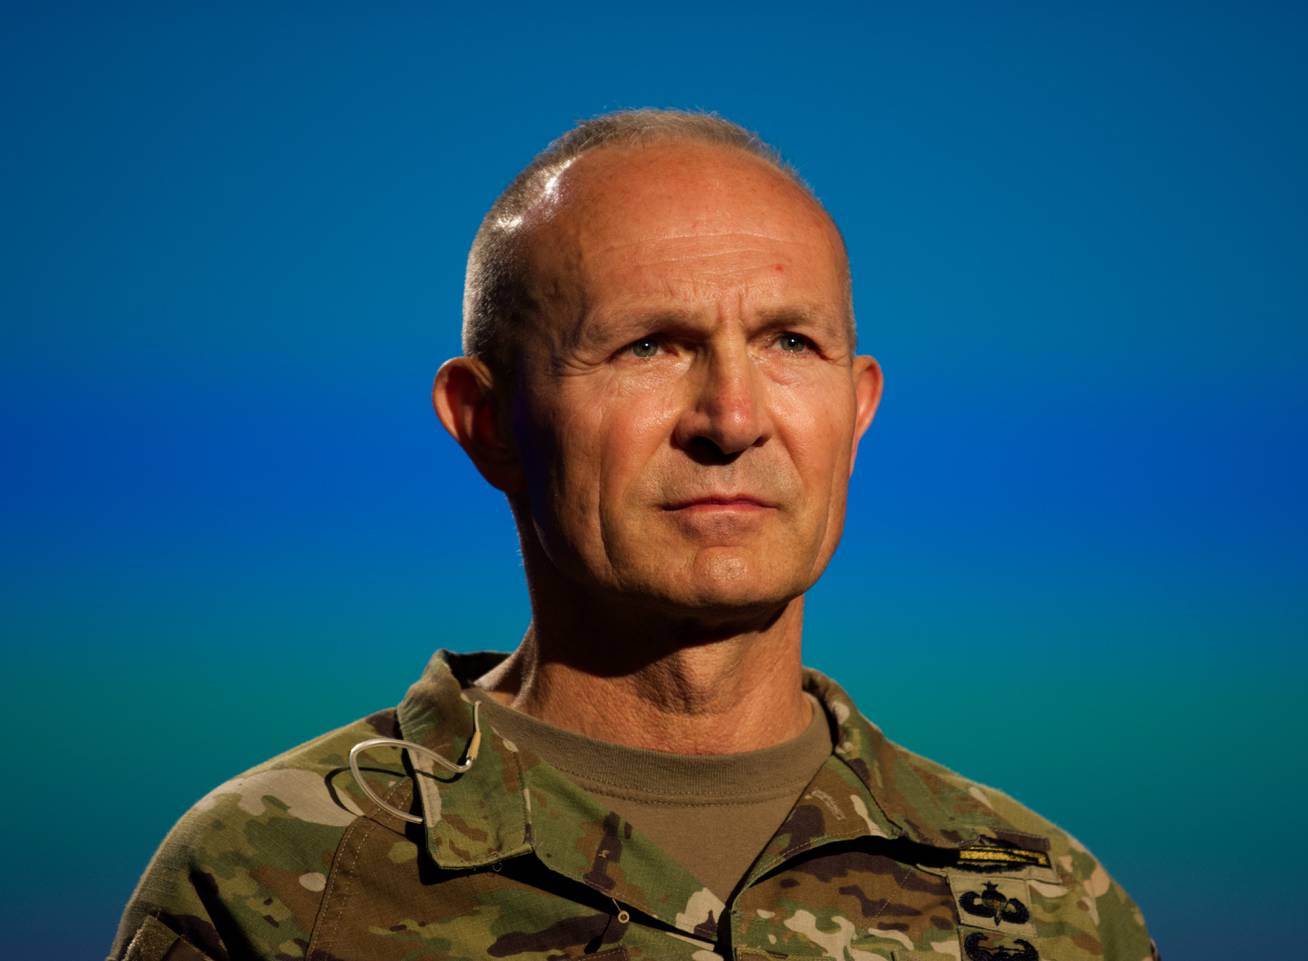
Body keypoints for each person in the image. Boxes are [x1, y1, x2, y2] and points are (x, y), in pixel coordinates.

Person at [110, 109, 1159, 961]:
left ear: (858, 411)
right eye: (649, 345)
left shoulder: (1051, 903)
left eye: (791, 342)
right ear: (488, 423)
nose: (733, 419)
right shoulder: (270, 880)